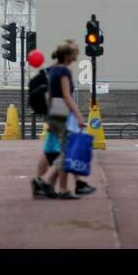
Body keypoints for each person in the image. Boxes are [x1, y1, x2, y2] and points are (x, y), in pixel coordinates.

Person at [34, 41, 89, 199]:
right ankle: (48, 182)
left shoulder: (53, 70)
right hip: (63, 114)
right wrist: (79, 116)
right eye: (74, 54)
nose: (76, 57)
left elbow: (50, 95)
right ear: (67, 56)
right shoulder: (63, 71)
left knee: (63, 150)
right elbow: (67, 96)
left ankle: (55, 185)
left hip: (54, 113)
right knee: (66, 152)